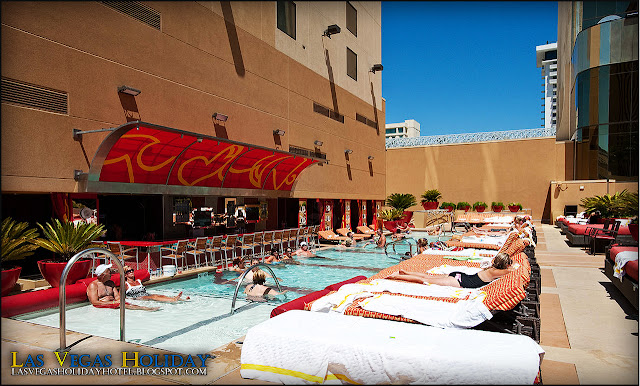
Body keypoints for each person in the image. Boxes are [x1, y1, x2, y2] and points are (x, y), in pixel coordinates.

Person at [385, 252, 515, 289]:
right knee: (423, 279)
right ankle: (395, 277)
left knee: (427, 276)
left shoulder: (491, 268)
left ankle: (405, 272)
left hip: (460, 276)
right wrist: (511, 265)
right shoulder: (496, 272)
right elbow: (514, 270)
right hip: (459, 282)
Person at [86, 264, 159, 311]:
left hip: (113, 305)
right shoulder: (94, 285)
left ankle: (143, 308)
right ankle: (145, 309)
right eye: (109, 272)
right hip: (102, 307)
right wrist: (113, 302)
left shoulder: (111, 283)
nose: (111, 273)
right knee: (123, 304)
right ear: (103, 275)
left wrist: (116, 301)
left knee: (125, 303)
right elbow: (94, 302)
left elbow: (118, 297)